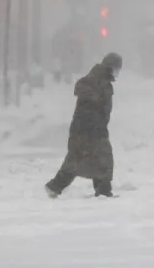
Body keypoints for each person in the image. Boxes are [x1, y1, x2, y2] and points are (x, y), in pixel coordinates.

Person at [46, 52, 121, 198]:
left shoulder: (99, 80)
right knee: (97, 158)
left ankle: (55, 186)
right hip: (89, 129)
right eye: (117, 68)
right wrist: (95, 125)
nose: (118, 72)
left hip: (90, 129)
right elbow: (90, 105)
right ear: (110, 67)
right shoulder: (98, 81)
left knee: (82, 159)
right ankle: (102, 190)